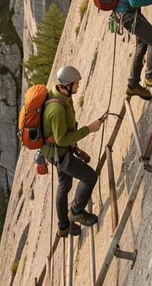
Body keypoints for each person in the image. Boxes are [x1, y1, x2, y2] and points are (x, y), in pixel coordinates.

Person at [41, 65, 103, 236]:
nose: (78, 85)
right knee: (90, 177)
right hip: (59, 153)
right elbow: (62, 139)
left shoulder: (60, 95)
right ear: (67, 85)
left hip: (57, 151)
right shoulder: (57, 109)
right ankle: (76, 212)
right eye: (76, 83)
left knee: (65, 185)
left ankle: (63, 227)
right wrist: (89, 129)